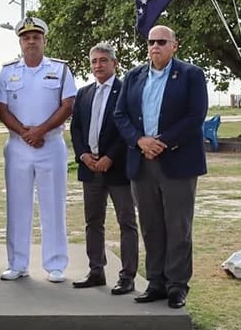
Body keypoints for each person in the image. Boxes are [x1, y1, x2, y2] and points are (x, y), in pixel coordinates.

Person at [114, 25, 208, 309]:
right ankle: (155, 282)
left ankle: (177, 286)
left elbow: (195, 116)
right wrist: (140, 140)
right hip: (142, 161)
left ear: (174, 46)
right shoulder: (133, 76)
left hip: (177, 161)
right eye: (151, 42)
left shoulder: (191, 75)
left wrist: (163, 142)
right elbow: (120, 114)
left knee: (178, 227)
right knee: (151, 226)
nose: (155, 46)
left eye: (161, 42)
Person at [0, 17, 76, 283]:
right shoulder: (7, 72)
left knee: (53, 205)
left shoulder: (60, 69)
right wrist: (25, 133)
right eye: (26, 38)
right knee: (17, 206)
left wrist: (40, 131)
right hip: (18, 146)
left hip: (50, 144)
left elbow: (68, 105)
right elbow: (1, 109)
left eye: (36, 37)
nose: (31, 41)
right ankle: (17, 264)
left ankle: (55, 264)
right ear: (20, 42)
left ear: (44, 41)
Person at [70, 43, 138, 295]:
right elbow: (76, 127)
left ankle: (127, 276)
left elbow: (127, 128)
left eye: (103, 60)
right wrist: (83, 155)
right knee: (93, 222)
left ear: (114, 63)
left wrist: (110, 157)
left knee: (126, 223)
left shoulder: (125, 91)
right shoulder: (84, 93)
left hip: (118, 169)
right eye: (94, 61)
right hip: (91, 169)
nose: (98, 65)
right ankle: (96, 270)